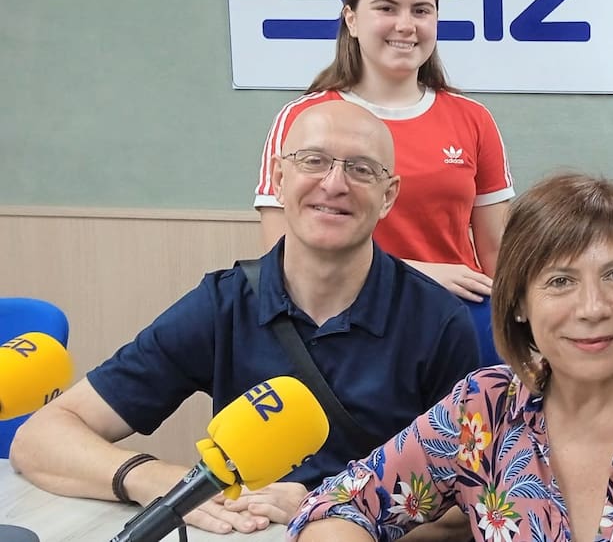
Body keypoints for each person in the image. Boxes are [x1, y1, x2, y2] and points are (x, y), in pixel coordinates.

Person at [10, 101, 480, 537]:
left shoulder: (436, 320)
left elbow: (472, 506)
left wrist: (335, 506)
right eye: (313, 160)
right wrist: (165, 482)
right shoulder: (223, 304)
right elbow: (39, 438)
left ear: (388, 195)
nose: (334, 184)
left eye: (361, 169)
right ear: (279, 177)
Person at [286, 174, 613, 541]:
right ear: (519, 302)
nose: (593, 308)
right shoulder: (483, 407)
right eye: (560, 282)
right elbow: (340, 504)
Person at [254, 0, 514, 366]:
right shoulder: (304, 119)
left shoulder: (473, 118)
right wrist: (418, 274)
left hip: (458, 323)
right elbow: (282, 253)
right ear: (352, 19)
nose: (405, 25)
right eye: (387, 8)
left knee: (468, 435)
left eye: (421, 10)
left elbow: (497, 252)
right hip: (345, 328)